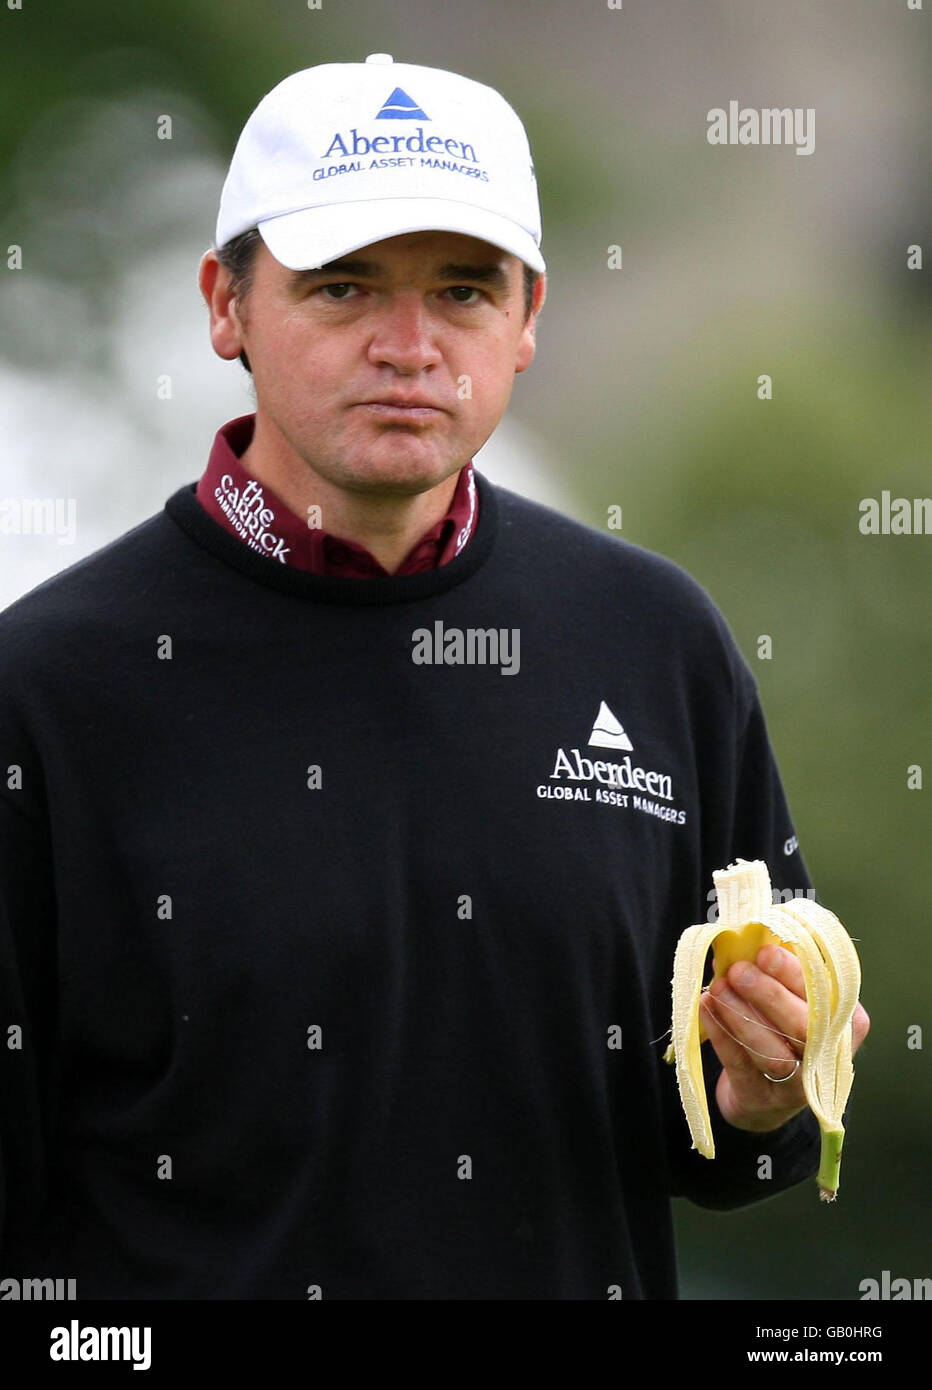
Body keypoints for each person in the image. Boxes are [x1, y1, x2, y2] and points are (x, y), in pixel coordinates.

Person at [0, 54, 868, 1301]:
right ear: (224, 302)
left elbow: (720, 1144)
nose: (408, 346)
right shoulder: (43, 693)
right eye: (343, 286)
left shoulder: (655, 639)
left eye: (462, 291)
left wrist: (765, 1098)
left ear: (526, 322)